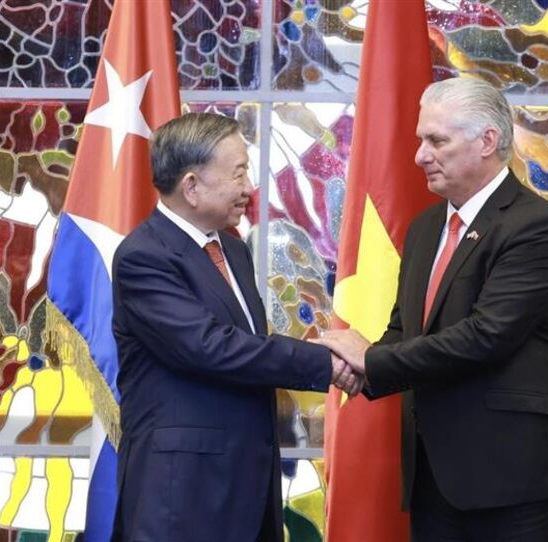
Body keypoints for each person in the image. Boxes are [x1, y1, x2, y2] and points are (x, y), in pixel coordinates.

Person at [314, 78, 548, 542]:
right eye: (420, 140)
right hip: (437, 477)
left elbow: (487, 335)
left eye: (437, 141)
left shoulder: (534, 225)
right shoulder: (425, 227)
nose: (420, 155)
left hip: (521, 476)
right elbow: (405, 329)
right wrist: (355, 369)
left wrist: (370, 360)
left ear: (487, 141)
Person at [110, 112, 361, 542]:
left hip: (248, 485)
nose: (249, 187)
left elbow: (250, 346)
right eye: (239, 173)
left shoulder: (231, 249)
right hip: (183, 494)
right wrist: (328, 362)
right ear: (191, 186)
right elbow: (212, 347)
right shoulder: (145, 256)